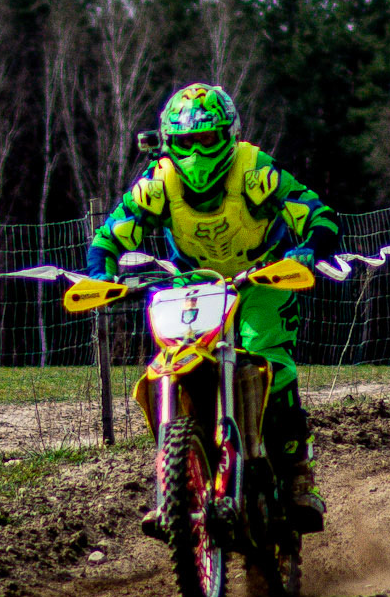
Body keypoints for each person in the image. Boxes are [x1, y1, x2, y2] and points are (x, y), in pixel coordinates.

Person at [86, 83, 336, 530]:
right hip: (194, 285)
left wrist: (308, 250)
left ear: (228, 135)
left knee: (270, 362)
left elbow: (318, 213)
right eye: (186, 142)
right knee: (173, 360)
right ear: (168, 143)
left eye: (206, 139)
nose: (197, 153)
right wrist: (102, 273)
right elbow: (110, 236)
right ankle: (177, 482)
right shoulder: (158, 183)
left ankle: (299, 476)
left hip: (261, 277)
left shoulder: (254, 169)